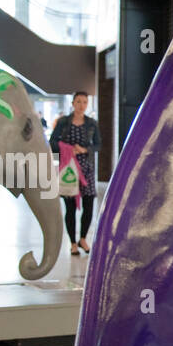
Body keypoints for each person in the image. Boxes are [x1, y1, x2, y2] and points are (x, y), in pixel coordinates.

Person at [50, 92, 101, 255]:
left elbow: (98, 145)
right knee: (70, 207)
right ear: (72, 103)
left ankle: (83, 238)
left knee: (88, 206)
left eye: (85, 102)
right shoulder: (64, 122)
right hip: (69, 169)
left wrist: (85, 149)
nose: (81, 105)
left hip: (86, 169)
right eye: (78, 102)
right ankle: (72, 242)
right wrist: (66, 149)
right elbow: (52, 142)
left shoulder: (92, 124)